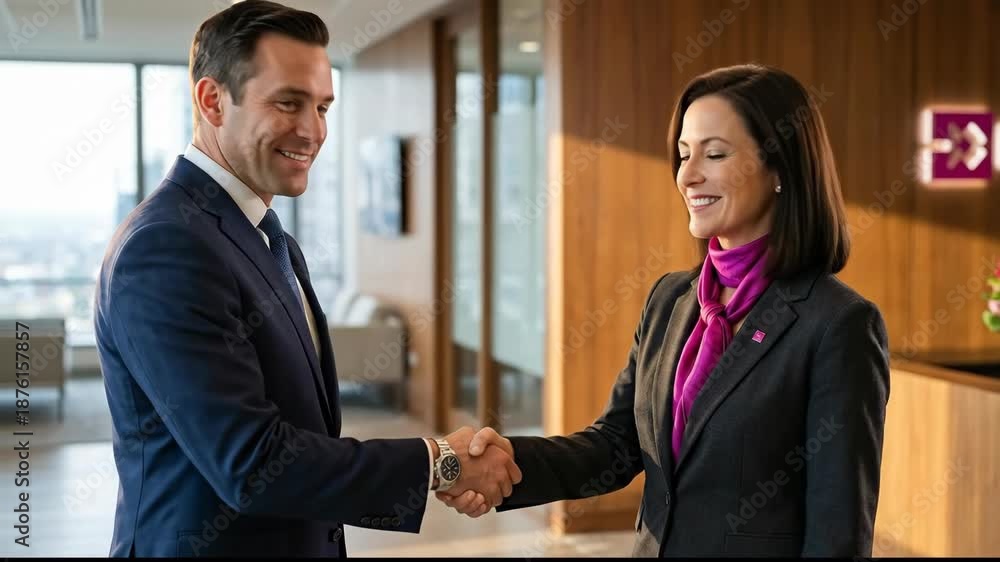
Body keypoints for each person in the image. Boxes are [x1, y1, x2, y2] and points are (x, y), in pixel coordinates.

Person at [94, 1, 518, 557]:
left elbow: (303, 435)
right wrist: (440, 461)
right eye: (288, 103)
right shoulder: (165, 246)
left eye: (323, 106)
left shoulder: (270, 238)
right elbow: (253, 464)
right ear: (212, 100)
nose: (313, 130)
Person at [437, 63, 891, 557]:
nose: (688, 175)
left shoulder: (838, 324)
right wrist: (506, 461)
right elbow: (618, 444)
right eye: (683, 154)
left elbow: (839, 529)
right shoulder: (671, 299)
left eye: (714, 154)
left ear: (781, 168)